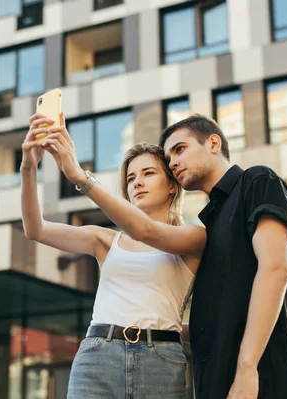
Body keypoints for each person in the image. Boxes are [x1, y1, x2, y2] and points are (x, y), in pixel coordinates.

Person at [45, 113, 287, 399]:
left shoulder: (257, 180)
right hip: (214, 380)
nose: (174, 162)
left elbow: (276, 269)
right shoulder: (211, 223)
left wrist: (247, 367)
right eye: (169, 158)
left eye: (180, 150)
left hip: (260, 377)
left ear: (214, 143)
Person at [20, 112, 206, 398]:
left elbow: (146, 230)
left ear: (172, 185)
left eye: (148, 173)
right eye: (131, 178)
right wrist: (28, 169)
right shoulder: (106, 240)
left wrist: (81, 178)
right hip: (99, 355)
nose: (137, 183)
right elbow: (36, 229)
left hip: (161, 359)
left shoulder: (193, 237)